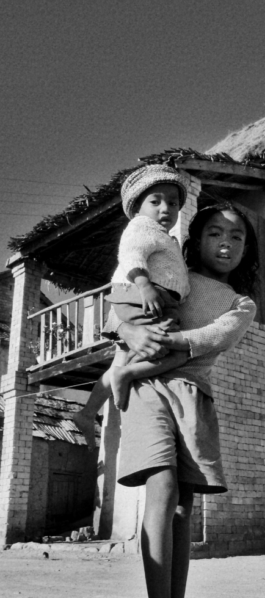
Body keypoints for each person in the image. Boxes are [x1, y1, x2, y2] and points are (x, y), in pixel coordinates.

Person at [114, 203, 258, 598]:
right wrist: (128, 332)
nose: (226, 243)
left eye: (236, 237)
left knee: (182, 508)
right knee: (162, 486)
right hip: (149, 389)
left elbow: (209, 340)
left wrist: (155, 344)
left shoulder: (241, 305)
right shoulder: (175, 277)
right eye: (215, 232)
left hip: (193, 395)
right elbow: (122, 306)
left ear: (247, 249)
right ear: (195, 239)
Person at [73, 163, 191, 448]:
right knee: (178, 352)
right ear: (137, 207)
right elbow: (132, 254)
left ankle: (87, 413)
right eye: (155, 202)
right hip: (144, 296)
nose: (165, 209)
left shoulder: (165, 237)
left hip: (144, 298)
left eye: (173, 203)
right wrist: (144, 284)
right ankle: (128, 377)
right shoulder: (142, 227)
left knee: (122, 357)